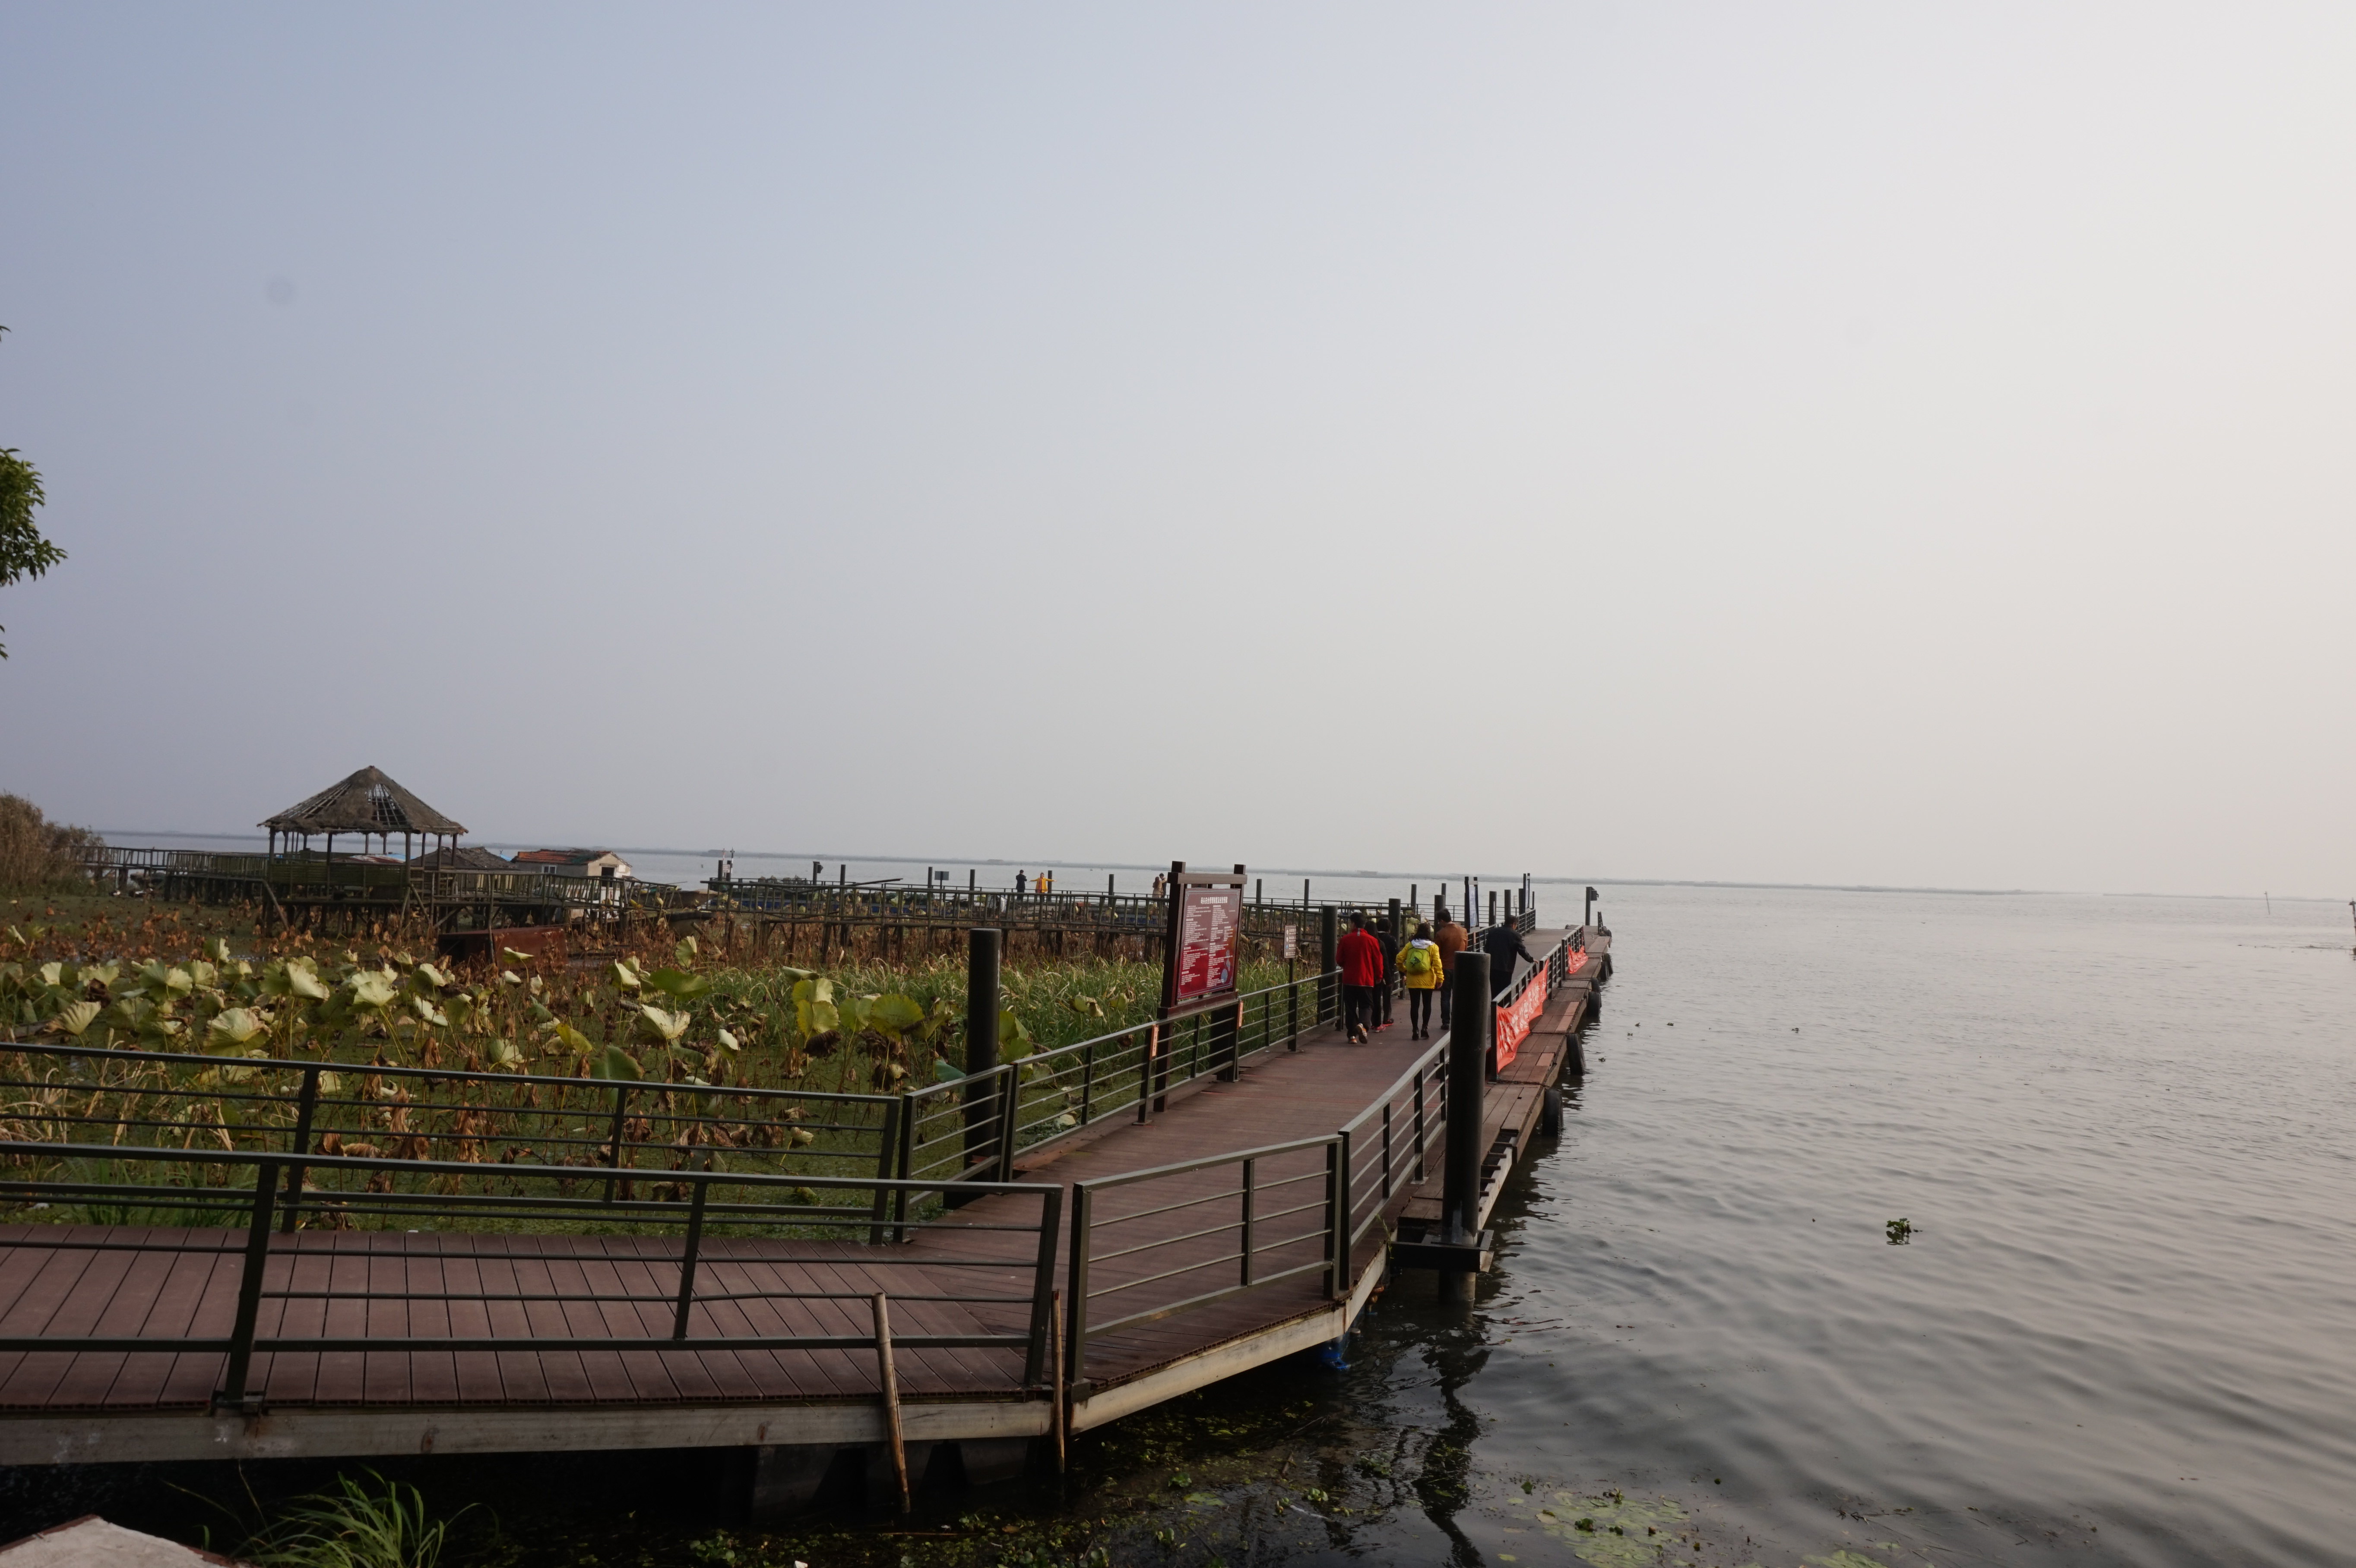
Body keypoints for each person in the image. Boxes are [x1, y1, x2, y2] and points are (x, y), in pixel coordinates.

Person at [1336, 912, 1385, 1044]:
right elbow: (1378, 961)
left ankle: (1352, 1036)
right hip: (1366, 980)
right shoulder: (1372, 941)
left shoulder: (1345, 939)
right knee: (1367, 1006)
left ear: (1353, 924)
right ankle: (1363, 1026)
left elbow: (1339, 959)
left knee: (1350, 1007)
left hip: (1349, 979)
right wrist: (1379, 976)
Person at [1397, 922, 1444, 1039]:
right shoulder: (1433, 947)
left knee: (1415, 1005)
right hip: (1428, 980)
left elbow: (1399, 959)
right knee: (1427, 1005)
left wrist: (1405, 970)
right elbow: (1438, 965)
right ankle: (1425, 1028)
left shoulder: (1410, 945)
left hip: (1413, 980)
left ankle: (1415, 1030)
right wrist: (1440, 978)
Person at [1431, 907, 1469, 1027]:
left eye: (1439, 922)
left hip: (1445, 968)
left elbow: (1436, 953)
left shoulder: (1440, 934)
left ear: (1442, 920)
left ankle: (1446, 1022)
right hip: (1460, 967)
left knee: (1446, 996)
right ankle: (1458, 1019)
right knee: (1459, 995)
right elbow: (1466, 948)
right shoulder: (1463, 931)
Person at [1481, 918, 1536, 999]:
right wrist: (1531, 959)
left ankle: (1495, 1008)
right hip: (1506, 967)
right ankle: (1504, 1009)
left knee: (1494, 989)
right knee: (1505, 990)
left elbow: (1486, 948)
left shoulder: (1493, 932)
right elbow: (1522, 950)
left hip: (1492, 966)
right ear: (1514, 924)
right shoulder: (1515, 935)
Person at [1374, 917, 1399, 1031]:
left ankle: (1375, 1019)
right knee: (1387, 996)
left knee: (1375, 996)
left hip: (1374, 971)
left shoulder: (1374, 938)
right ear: (1389, 929)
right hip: (1389, 970)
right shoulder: (1391, 939)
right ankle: (1386, 1018)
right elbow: (1397, 956)